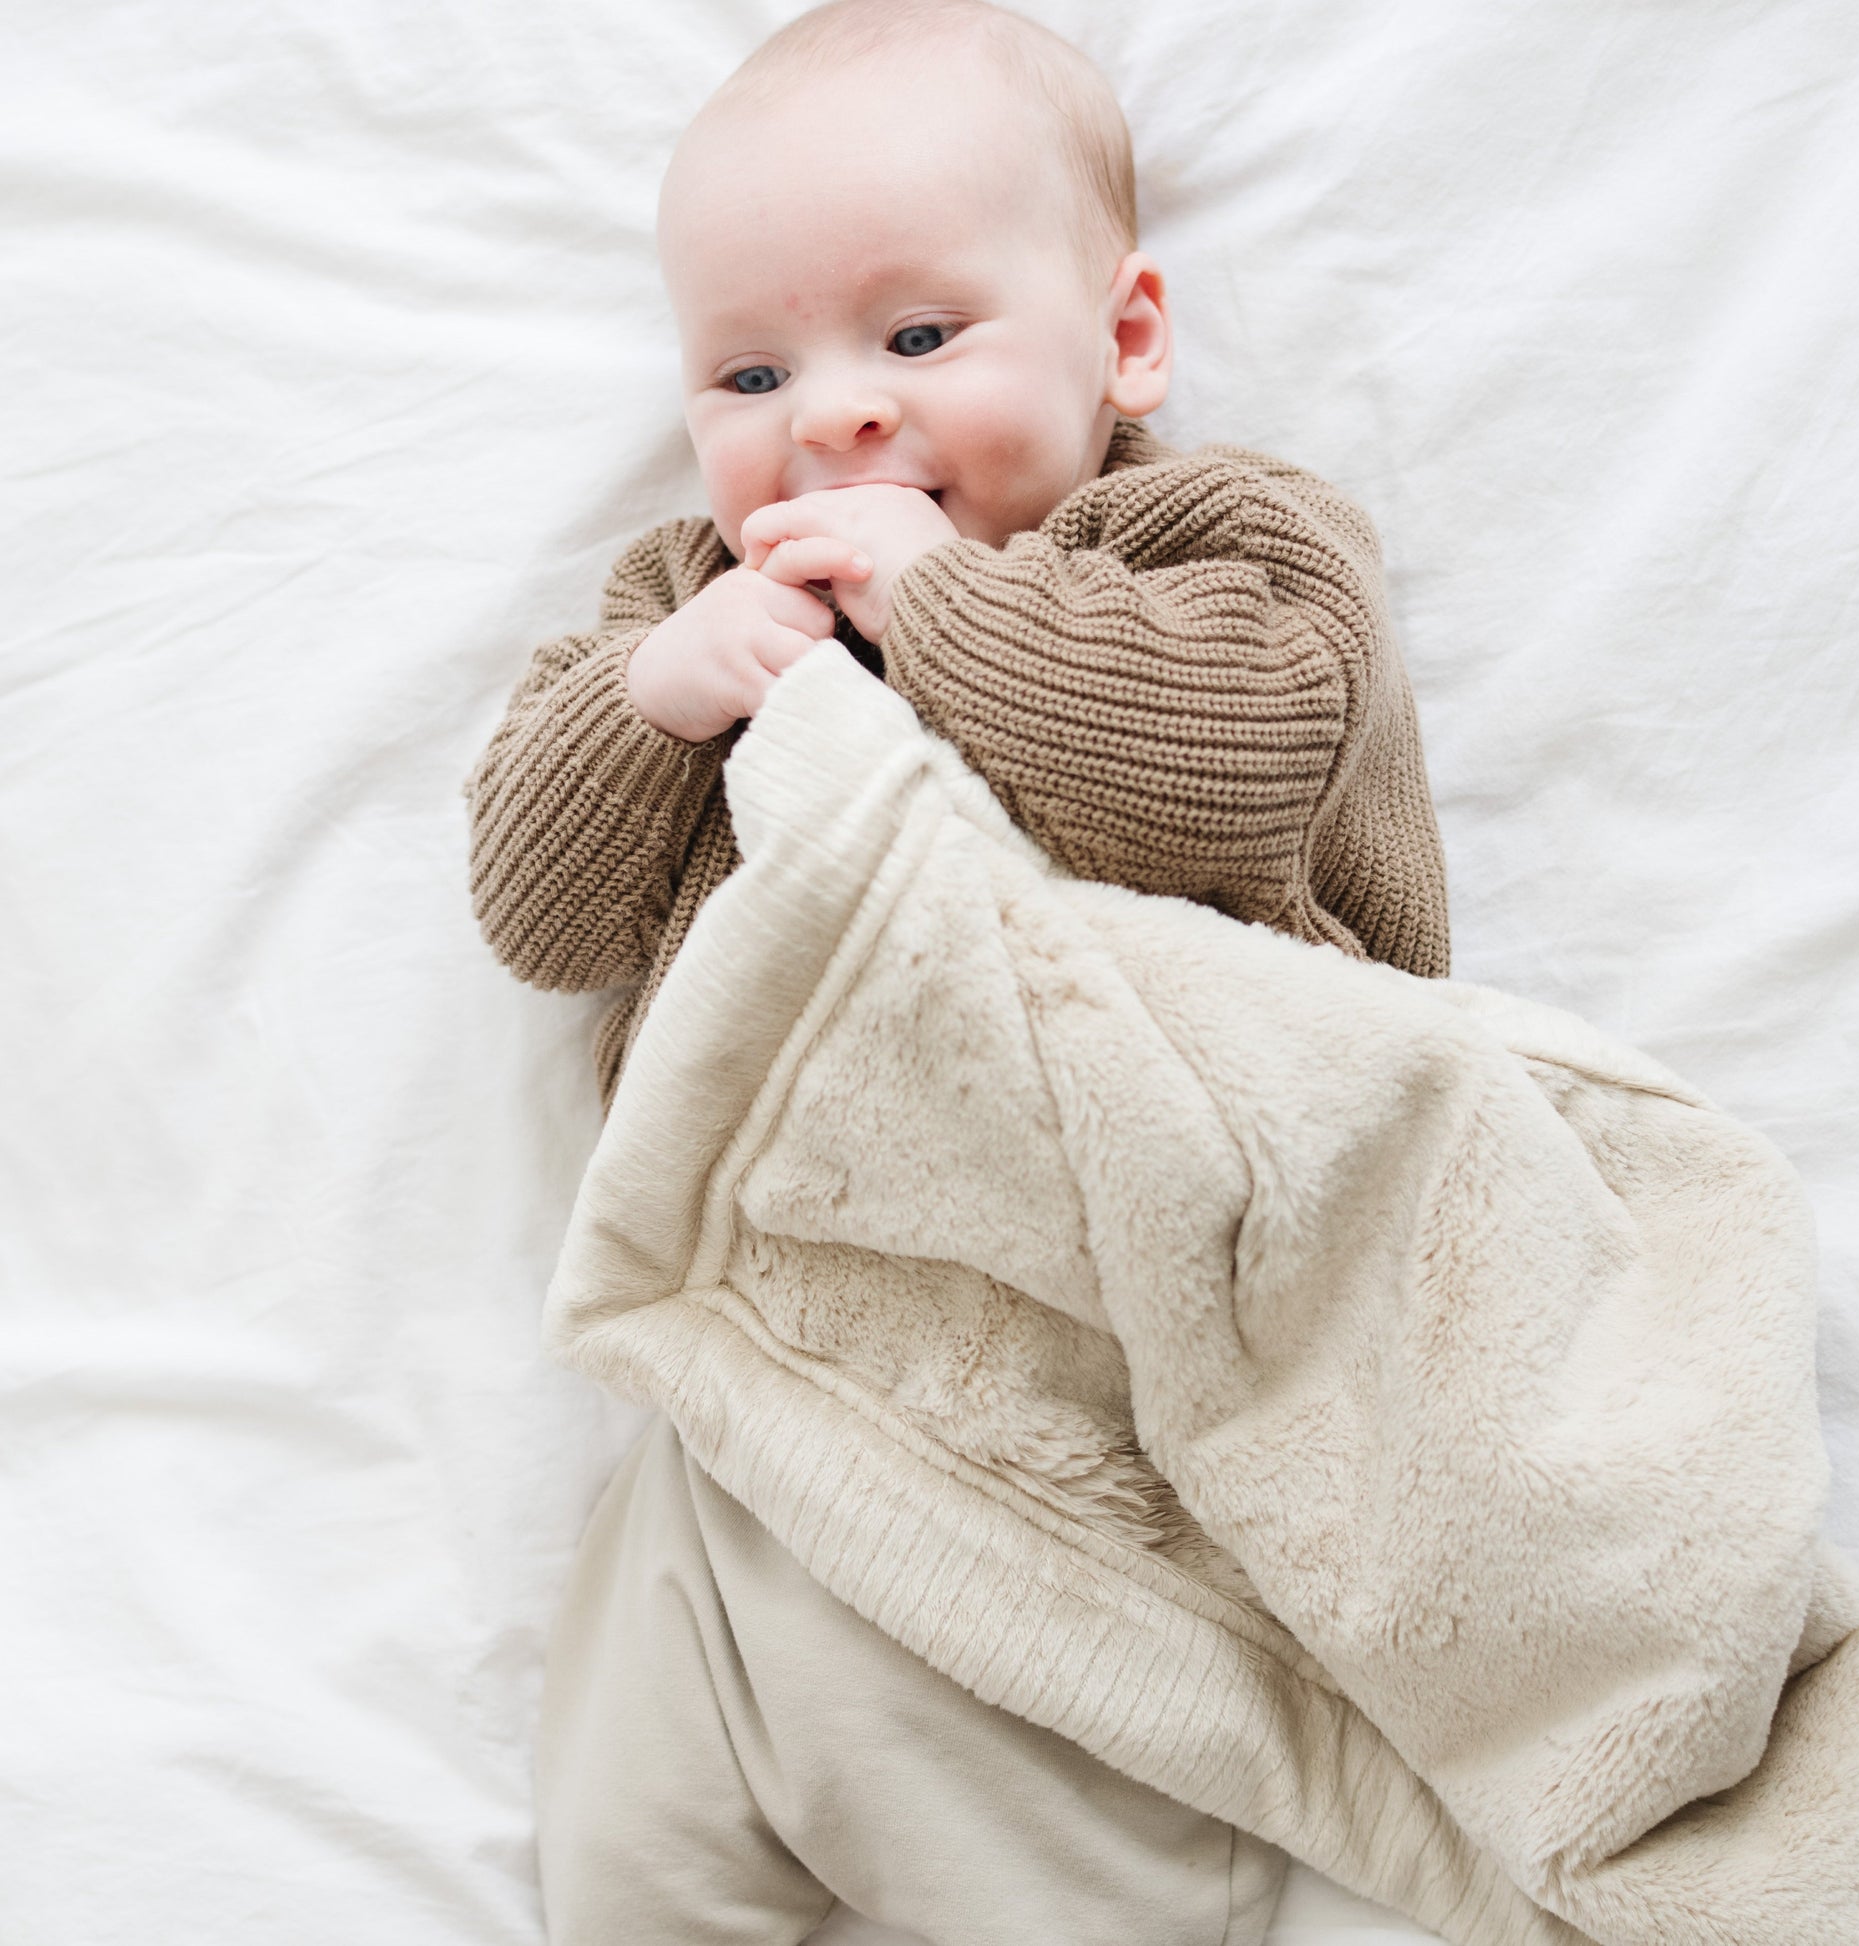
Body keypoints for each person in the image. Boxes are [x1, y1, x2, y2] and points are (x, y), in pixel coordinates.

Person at [464, 2, 1450, 1940]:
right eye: (751, 369)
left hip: (1097, 1370)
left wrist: (940, 598)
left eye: (917, 338)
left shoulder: (1209, 545)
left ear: (1127, 340)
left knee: (1042, 1821)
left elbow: (1227, 761)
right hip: (757, 1360)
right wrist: (659, 701)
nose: (829, 414)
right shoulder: (683, 607)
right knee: (627, 1846)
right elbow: (536, 913)